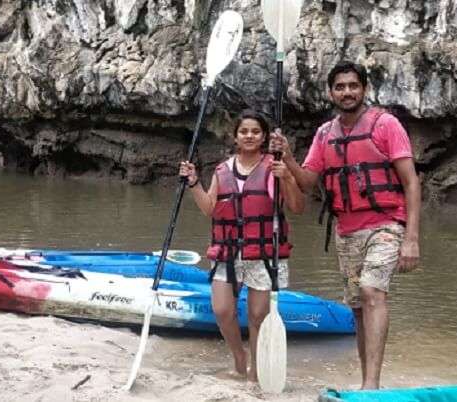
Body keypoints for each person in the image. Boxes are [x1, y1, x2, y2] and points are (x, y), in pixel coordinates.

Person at [270, 61, 421, 389]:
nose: (347, 92)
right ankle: (368, 382)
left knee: (372, 291)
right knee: (356, 308)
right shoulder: (325, 134)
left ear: (364, 89)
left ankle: (371, 386)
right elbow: (309, 181)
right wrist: (289, 158)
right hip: (347, 231)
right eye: (340, 87)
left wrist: (412, 238)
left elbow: (411, 182)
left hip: (387, 224)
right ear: (330, 92)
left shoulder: (386, 125)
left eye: (353, 85)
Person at [179, 110, 305, 381]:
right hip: (228, 251)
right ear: (235, 136)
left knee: (258, 316)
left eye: (255, 132)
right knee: (223, 310)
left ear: (264, 137)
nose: (249, 136)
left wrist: (287, 178)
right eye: (244, 131)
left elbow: (297, 207)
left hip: (264, 253)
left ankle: (256, 374)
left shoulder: (275, 167)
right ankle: (240, 357)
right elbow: (210, 209)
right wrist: (193, 183)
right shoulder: (223, 169)